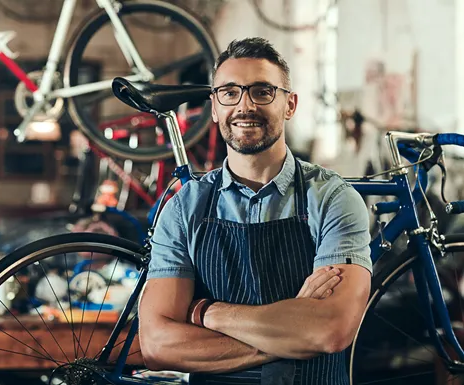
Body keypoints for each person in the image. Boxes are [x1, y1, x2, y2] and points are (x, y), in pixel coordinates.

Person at [138, 37, 372, 384]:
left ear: (290, 105)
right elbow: (158, 345)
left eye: (262, 91)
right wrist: (293, 333)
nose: (244, 106)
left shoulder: (333, 199)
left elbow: (329, 331)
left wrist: (206, 313)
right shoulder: (184, 209)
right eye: (229, 93)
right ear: (214, 107)